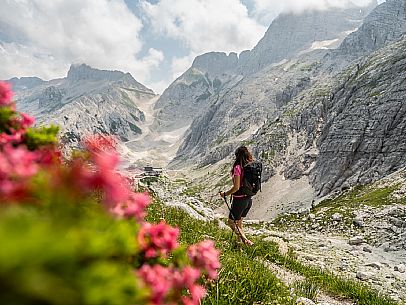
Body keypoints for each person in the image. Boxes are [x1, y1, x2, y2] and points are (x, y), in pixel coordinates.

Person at [220, 146, 254, 246]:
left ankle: (245, 240)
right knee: (239, 223)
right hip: (248, 199)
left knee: (231, 222)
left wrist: (225, 194)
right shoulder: (251, 165)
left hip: (239, 200)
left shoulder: (238, 167)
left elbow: (236, 187)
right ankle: (239, 245)